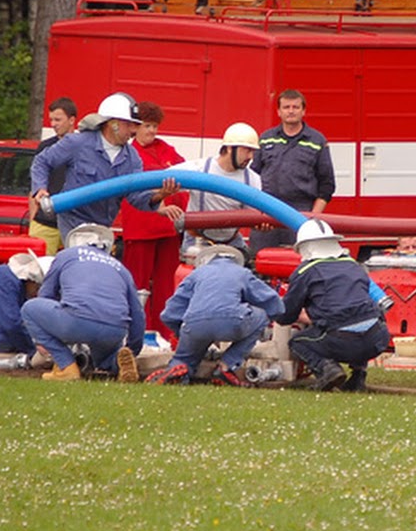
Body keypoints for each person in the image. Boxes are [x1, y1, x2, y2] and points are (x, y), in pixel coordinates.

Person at [30, 91, 184, 240]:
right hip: (73, 222)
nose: (134, 130)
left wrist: (161, 195)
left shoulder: (132, 158)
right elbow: (42, 162)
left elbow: (136, 197)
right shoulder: (77, 143)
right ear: (113, 124)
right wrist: (40, 189)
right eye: (130, 124)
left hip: (102, 227)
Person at [20, 223, 145, 382]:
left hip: (76, 322)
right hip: (114, 329)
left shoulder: (66, 255)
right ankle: (118, 364)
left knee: (29, 309)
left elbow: (46, 295)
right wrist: (133, 349)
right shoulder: (120, 268)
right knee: (104, 359)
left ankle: (66, 367)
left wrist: (47, 336)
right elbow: (137, 313)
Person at [275, 219, 390, 392]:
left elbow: (287, 316)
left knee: (298, 342)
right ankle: (358, 377)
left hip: (342, 340)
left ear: (304, 247)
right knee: (360, 320)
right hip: (378, 338)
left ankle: (327, 370)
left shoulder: (305, 272)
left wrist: (275, 310)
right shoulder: (354, 266)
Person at [146, 244, 284, 386]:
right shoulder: (242, 273)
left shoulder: (195, 274)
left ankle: (179, 368)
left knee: (184, 357)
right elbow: (274, 304)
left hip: (195, 324)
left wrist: (181, 333)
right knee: (261, 315)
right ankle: (226, 365)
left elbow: (169, 314)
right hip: (232, 322)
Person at [120, 101, 188, 338]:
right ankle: (138, 334)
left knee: (167, 286)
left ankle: (166, 334)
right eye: (147, 126)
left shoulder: (166, 149)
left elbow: (186, 173)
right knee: (136, 284)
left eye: (155, 126)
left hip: (168, 230)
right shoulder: (128, 154)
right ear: (135, 127)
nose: (152, 131)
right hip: (140, 229)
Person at [249, 90, 336, 251]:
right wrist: (258, 213)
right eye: (286, 107)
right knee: (259, 263)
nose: (291, 111)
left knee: (298, 264)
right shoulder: (266, 138)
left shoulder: (317, 141)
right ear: (279, 112)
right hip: (268, 211)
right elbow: (252, 177)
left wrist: (312, 218)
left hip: (301, 212)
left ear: (303, 111)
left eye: (295, 107)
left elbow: (327, 184)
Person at [171, 122, 262, 256]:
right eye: (247, 150)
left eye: (252, 151)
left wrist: (261, 224)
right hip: (197, 242)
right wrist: (161, 204)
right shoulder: (199, 169)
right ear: (230, 148)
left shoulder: (253, 179)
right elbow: (156, 183)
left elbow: (254, 216)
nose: (250, 157)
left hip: (232, 242)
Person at [28, 97, 77, 255]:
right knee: (35, 269)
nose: (53, 124)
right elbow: (34, 188)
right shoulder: (45, 147)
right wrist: (33, 219)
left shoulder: (83, 147)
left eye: (58, 119)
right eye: (51, 120)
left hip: (74, 223)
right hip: (45, 221)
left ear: (71, 120)